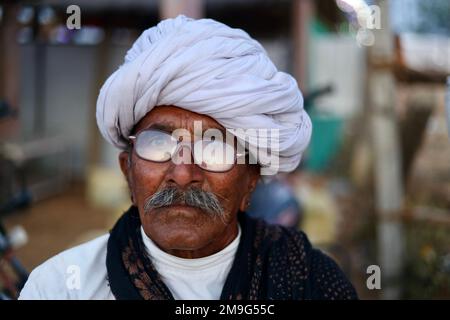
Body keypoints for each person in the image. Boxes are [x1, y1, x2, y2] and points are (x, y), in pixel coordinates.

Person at [19, 15, 357, 300]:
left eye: (215, 147)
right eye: (157, 144)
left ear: (250, 182)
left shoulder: (313, 283)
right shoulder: (59, 288)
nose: (182, 173)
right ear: (127, 172)